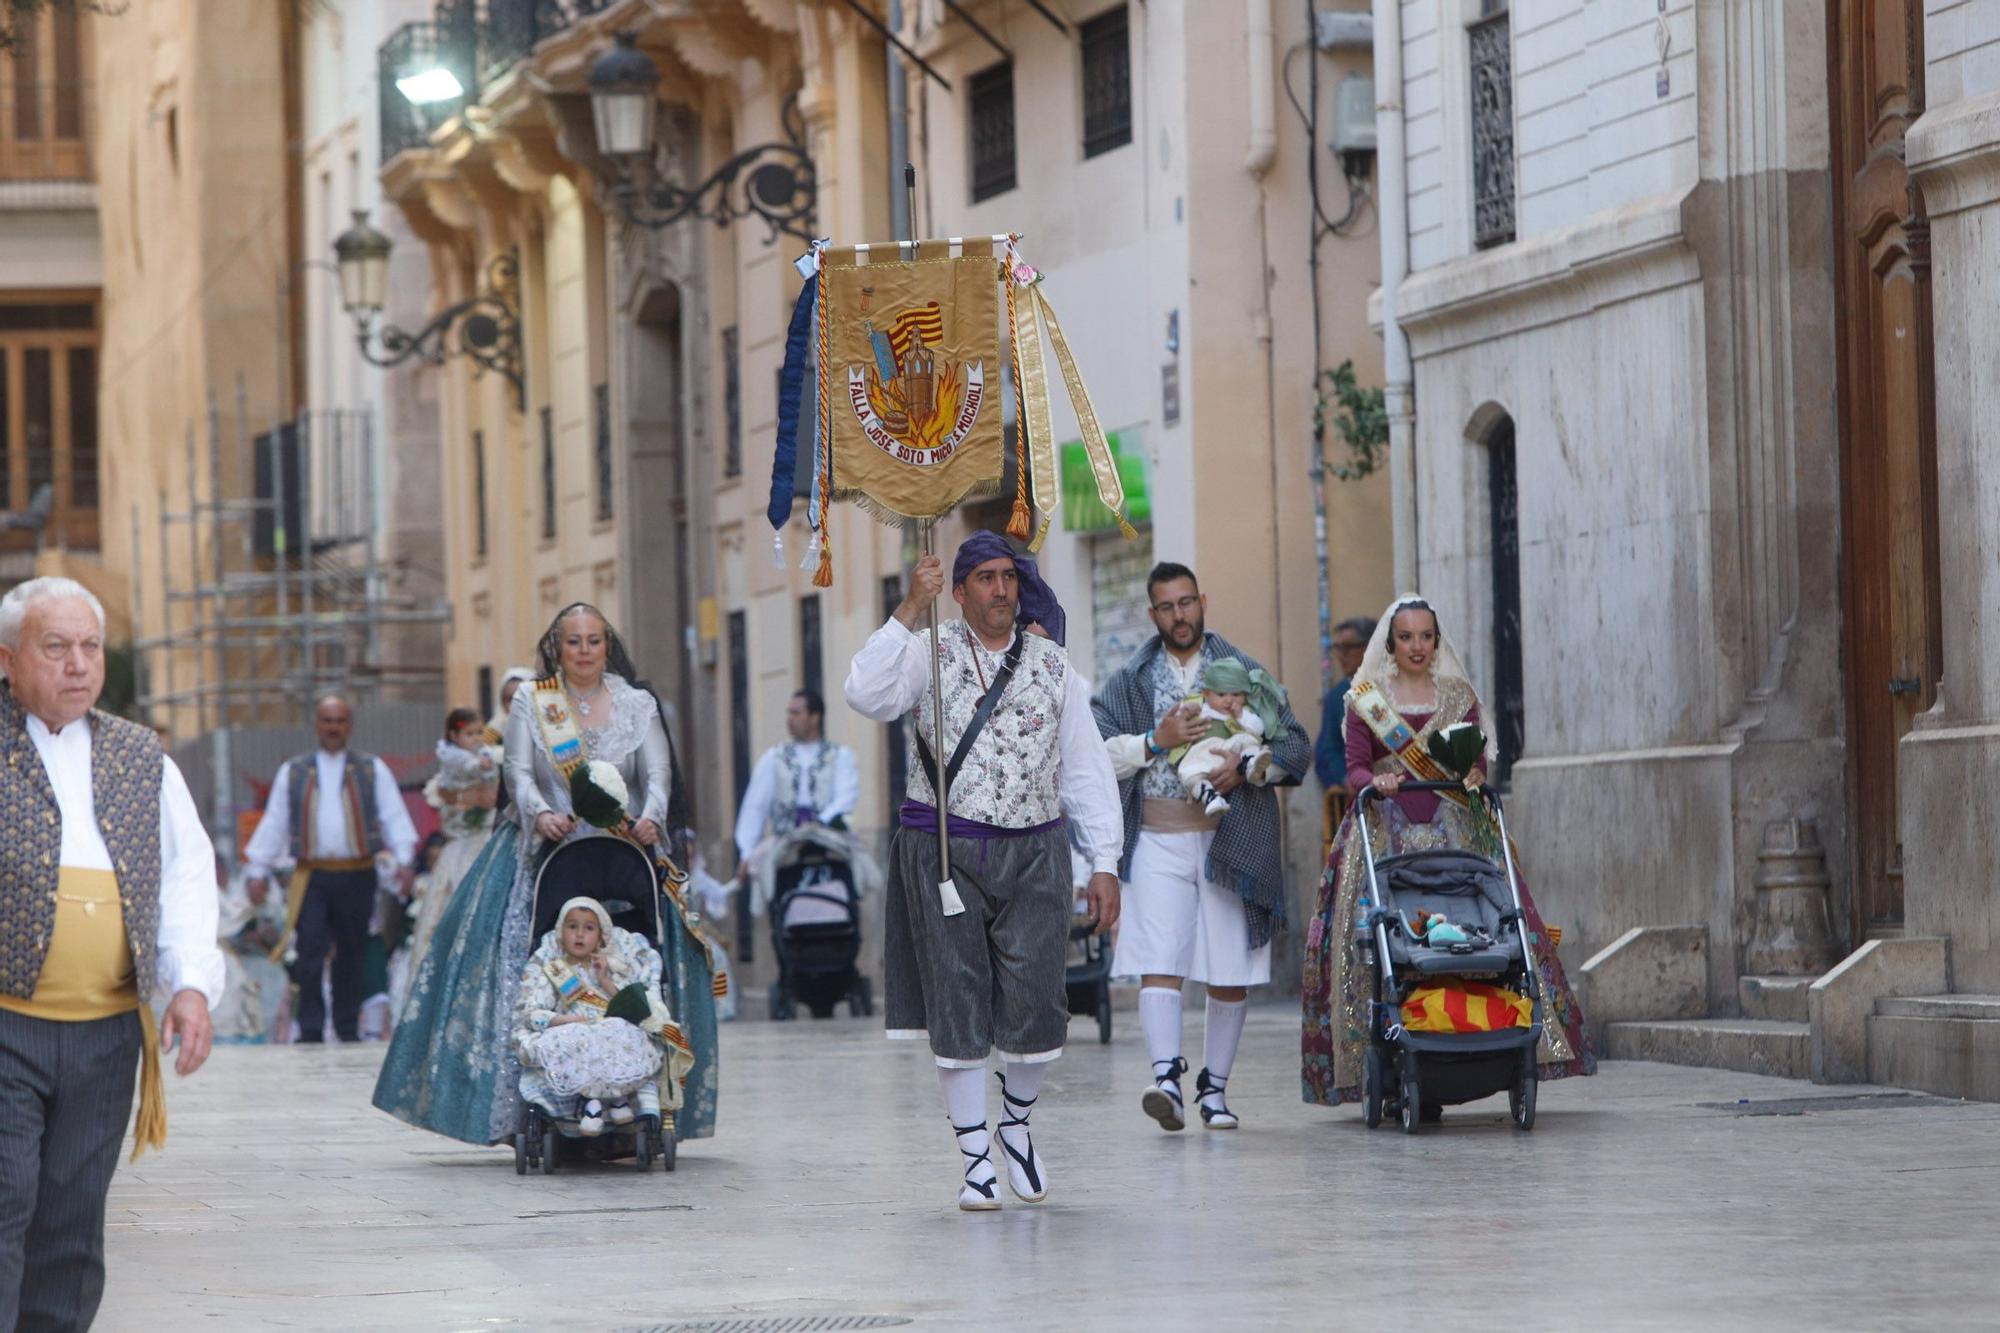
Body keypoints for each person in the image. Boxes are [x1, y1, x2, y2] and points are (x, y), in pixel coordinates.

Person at [373, 603, 721, 1149]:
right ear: (557, 647)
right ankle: (528, 1103)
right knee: (520, 964)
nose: (584, 651)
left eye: (594, 640)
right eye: (573, 641)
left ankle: (642, 1086)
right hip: (546, 848)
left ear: (608, 645)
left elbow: (657, 771)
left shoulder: (636, 703)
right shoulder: (535, 702)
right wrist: (540, 813)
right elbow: (515, 770)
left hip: (623, 846)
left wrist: (651, 816)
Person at [845, 531, 1122, 1212]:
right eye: (986, 578)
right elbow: (864, 692)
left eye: (1009, 577)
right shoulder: (926, 651)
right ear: (961, 590)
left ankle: (1017, 1125)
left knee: (1037, 1002)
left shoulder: (1057, 666)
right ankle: (975, 1159)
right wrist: (911, 603)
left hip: (1036, 848)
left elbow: (1083, 767)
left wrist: (1106, 860)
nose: (1001, 589)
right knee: (957, 999)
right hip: (944, 848)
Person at [0, 577, 224, 1330]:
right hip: (5, 1028)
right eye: (54, 646)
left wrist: (190, 986)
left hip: (104, 1037)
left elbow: (186, 873)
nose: (77, 664)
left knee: (71, 1214)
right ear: (8, 659)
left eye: (89, 646)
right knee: (4, 1197)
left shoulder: (140, 755)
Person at [1301, 595, 1595, 1114]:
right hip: (1384, 833)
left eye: (1426, 637)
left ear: (1437, 641)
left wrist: (1475, 774)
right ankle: (1388, 1053)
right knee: (1381, 945)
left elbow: (1475, 759)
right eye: (1407, 637)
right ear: (1391, 643)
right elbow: (1353, 769)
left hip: (1454, 831)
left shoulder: (1459, 696)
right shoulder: (1365, 699)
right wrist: (1378, 779)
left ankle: (1478, 1037)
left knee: (1484, 928)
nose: (1417, 646)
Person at [1093, 563, 1309, 1133]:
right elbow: (1093, 754)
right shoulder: (1131, 680)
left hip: (1229, 837)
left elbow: (1295, 744)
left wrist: (1252, 771)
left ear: (1202, 601)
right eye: (1166, 607)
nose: (1179, 615)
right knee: (1158, 959)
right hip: (1158, 838)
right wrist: (1153, 741)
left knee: (1228, 967)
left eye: (1186, 603)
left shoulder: (1244, 671)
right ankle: (1166, 1078)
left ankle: (1213, 1089)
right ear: (1152, 614)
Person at [243, 695, 418, 1043]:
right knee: (309, 949)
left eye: (340, 720)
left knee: (352, 951)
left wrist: (405, 860)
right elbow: (275, 821)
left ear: (349, 726)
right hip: (312, 876)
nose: (333, 727)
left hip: (358, 872)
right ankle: (310, 1029)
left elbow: (393, 815)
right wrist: (257, 870)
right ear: (316, 726)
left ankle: (346, 1027)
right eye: (327, 720)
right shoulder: (294, 771)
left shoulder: (372, 769)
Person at [513, 896, 693, 1136]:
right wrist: (562, 1020)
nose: (579, 935)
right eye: (572, 926)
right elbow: (532, 1010)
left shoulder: (612, 967)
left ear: (600, 936)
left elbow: (633, 1006)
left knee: (623, 1031)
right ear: (560, 932)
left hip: (609, 1024)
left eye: (588, 928)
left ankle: (616, 1099)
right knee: (574, 1039)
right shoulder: (554, 969)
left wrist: (605, 980)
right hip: (573, 1027)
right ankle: (593, 1104)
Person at [400, 708, 500, 1003]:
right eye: (468, 733)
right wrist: (463, 798)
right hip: (460, 851)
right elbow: (448, 789)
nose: (475, 738)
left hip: (492, 845)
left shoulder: (494, 750)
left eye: (478, 732)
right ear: (454, 736)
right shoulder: (459, 761)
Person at [733, 688, 859, 874]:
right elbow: (755, 805)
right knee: (764, 885)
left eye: (796, 713)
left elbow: (846, 798)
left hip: (828, 842)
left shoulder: (840, 756)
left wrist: (818, 824)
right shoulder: (774, 757)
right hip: (784, 845)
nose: (789, 719)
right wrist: (747, 851)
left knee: (858, 873)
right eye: (789, 713)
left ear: (815, 717)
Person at [1169, 657, 1285, 816]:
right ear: (1206, 694)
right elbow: (1178, 720)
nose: (1229, 700)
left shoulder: (1244, 712)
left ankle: (1251, 765)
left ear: (1245, 695)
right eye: (1221, 694)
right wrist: (1186, 710)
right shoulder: (1201, 707)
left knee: (1248, 740)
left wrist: (1241, 715)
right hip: (1201, 753)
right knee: (1187, 773)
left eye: (1236, 694)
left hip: (1229, 747)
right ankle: (1211, 799)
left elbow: (1258, 729)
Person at [1314, 617, 1375, 790]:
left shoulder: (1394, 688)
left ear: (1370, 646)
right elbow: (1328, 750)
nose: (1341, 655)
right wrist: (1344, 777)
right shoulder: (1336, 696)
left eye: (1348, 648)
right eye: (1337, 648)